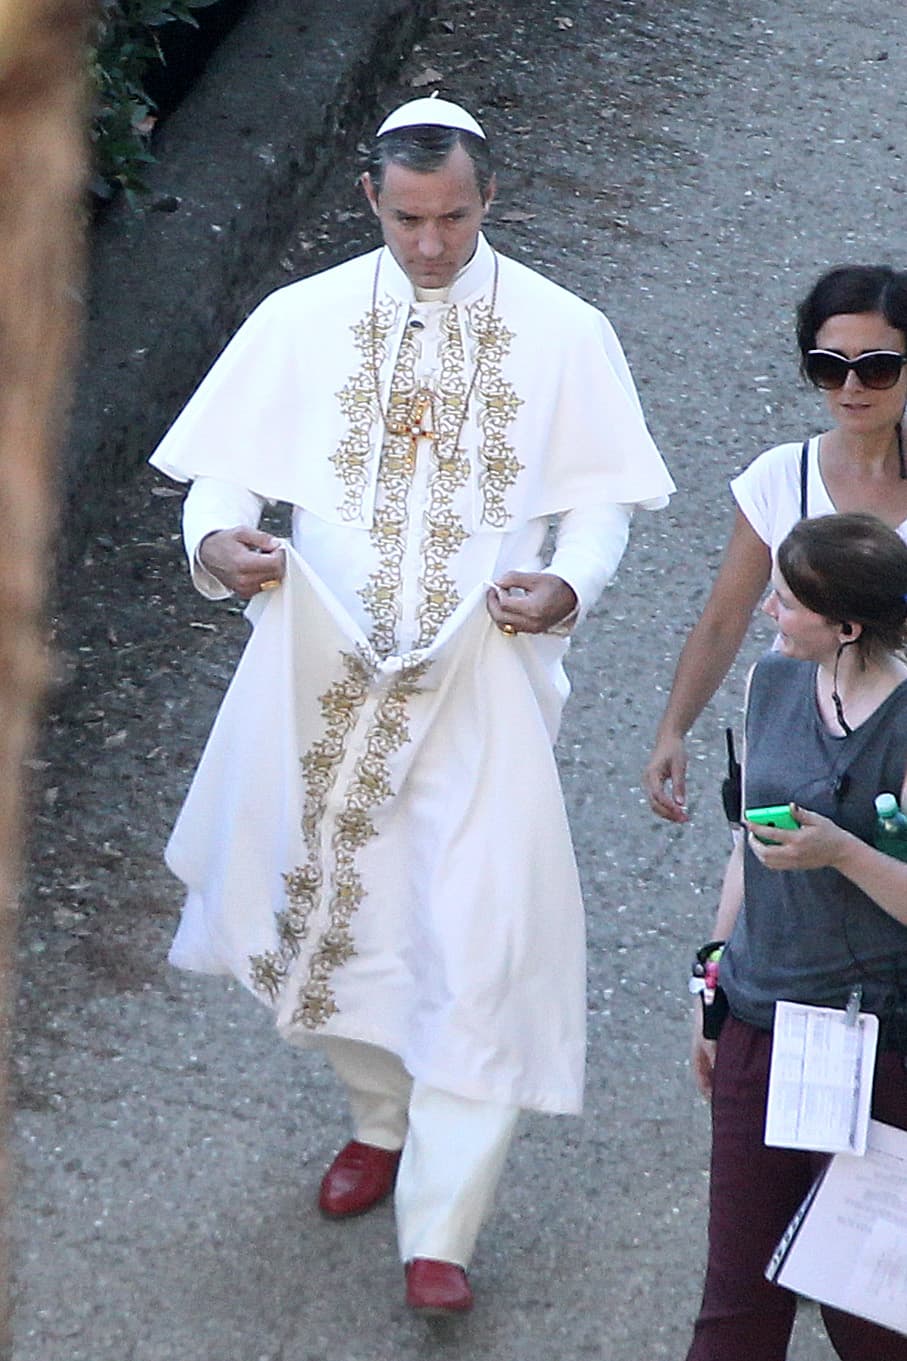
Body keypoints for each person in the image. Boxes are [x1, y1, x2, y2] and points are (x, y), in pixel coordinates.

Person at [148, 96, 674, 1315]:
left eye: (452, 218)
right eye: (406, 219)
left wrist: (571, 584)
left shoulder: (562, 329)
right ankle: (379, 1118)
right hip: (317, 676)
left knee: (481, 939)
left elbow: (597, 504)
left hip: (481, 680)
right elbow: (228, 470)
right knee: (328, 906)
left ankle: (442, 1226)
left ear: (490, 198)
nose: (430, 244)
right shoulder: (302, 317)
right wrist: (217, 539)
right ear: (370, 201)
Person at [686, 512, 907, 1361]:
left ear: (846, 626)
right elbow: (749, 839)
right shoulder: (770, 684)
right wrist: (711, 979)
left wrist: (841, 851)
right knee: (735, 1304)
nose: (769, 607)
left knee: (870, 1308)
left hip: (873, 1043)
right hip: (758, 1020)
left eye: (788, 600)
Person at [644, 264, 907, 823]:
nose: (852, 387)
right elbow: (724, 618)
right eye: (829, 368)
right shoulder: (778, 477)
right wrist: (673, 730)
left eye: (878, 368)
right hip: (797, 744)